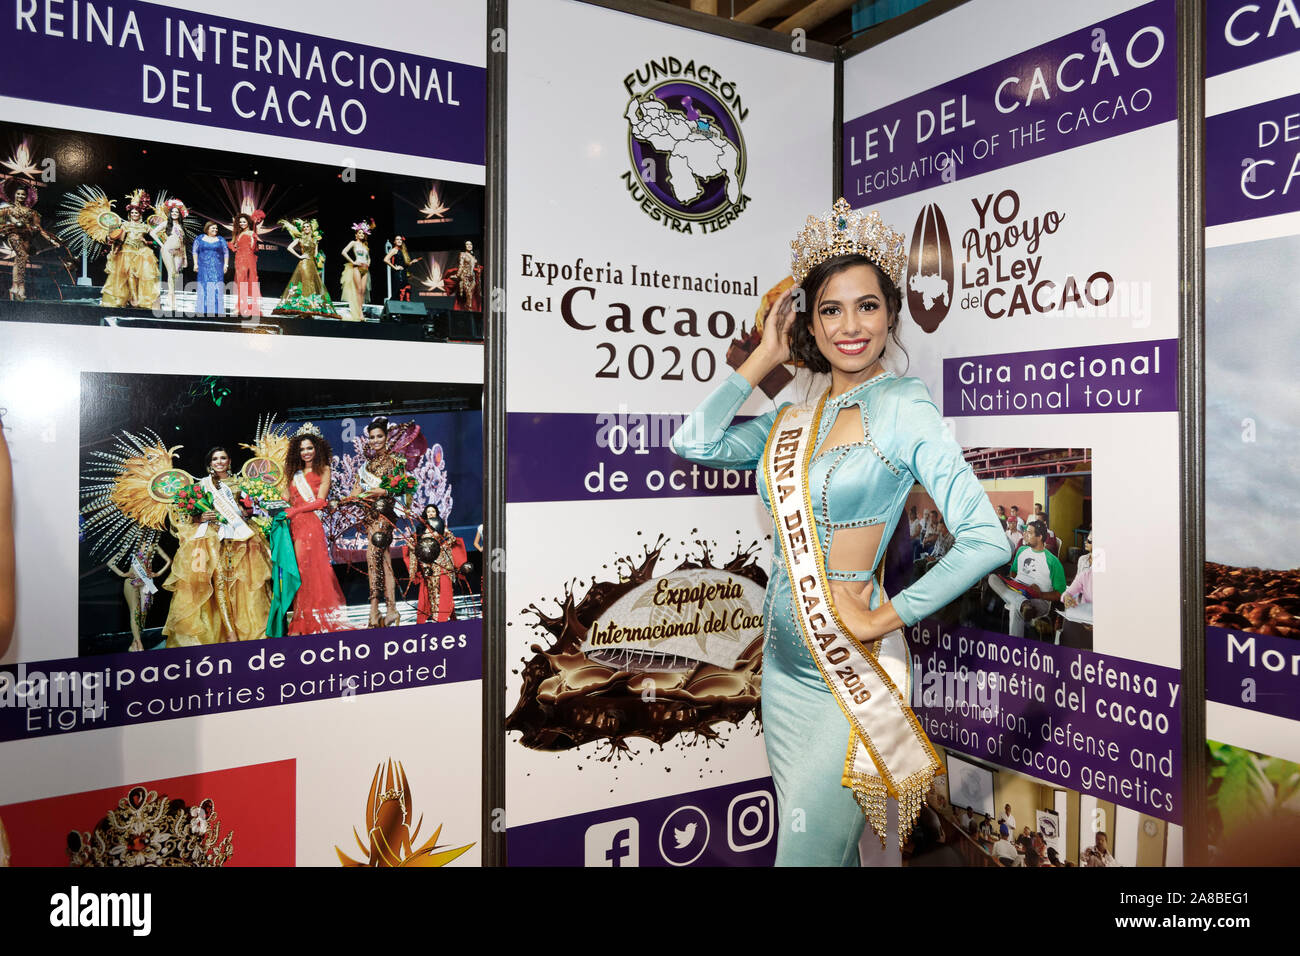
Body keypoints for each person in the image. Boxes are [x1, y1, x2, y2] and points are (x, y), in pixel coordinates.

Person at [670, 198, 1011, 866]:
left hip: (846, 673)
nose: (849, 326)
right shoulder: (791, 418)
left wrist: (886, 614)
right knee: (828, 854)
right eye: (830, 309)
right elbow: (693, 441)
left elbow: (987, 539)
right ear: (811, 322)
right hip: (783, 666)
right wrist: (764, 354)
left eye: (867, 306)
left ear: (891, 314)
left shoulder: (906, 407)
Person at [162, 446, 272, 646]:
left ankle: (250, 633)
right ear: (209, 463)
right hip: (213, 540)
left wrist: (248, 512)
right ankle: (229, 633)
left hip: (241, 539)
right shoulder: (202, 486)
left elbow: (250, 510)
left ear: (229, 461)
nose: (219, 462)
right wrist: (200, 516)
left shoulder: (241, 483)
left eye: (223, 458)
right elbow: (188, 517)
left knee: (245, 588)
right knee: (218, 583)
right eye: (215, 459)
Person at [283, 427, 349, 635]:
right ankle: (303, 617)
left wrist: (295, 511)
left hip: (310, 524)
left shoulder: (324, 469)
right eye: (302, 449)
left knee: (304, 570)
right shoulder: (294, 473)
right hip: (293, 525)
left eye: (309, 448)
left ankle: (303, 620)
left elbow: (320, 501)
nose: (306, 452)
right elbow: (286, 498)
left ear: (316, 448)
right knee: (297, 571)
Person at [354, 417, 403, 627]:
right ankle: (392, 610)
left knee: (373, 558)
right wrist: (346, 499)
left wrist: (383, 491)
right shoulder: (366, 465)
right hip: (370, 516)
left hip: (384, 516)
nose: (375, 440)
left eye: (379, 436)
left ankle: (374, 611)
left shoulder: (395, 461)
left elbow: (401, 488)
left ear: (386, 436)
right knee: (383, 561)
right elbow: (356, 491)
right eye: (372, 437)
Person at [987, 520, 1066, 638]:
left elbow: (1060, 593)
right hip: (1017, 591)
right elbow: (1013, 572)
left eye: (1029, 532)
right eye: (1025, 531)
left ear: (1039, 537)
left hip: (1038, 600)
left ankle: (1015, 648)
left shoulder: (1053, 561)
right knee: (992, 578)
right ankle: (1022, 602)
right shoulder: (1021, 551)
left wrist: (1040, 594)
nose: (1024, 534)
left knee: (1015, 606)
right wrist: (1014, 583)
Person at [0, 179, 64, 301]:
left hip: (26, 238)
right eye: (18, 194)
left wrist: (52, 240)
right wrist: (9, 227)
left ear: (26, 196)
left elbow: (39, 229)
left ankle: (14, 287)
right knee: (22, 255)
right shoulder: (7, 210)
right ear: (14, 194)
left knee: (20, 259)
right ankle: (21, 286)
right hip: (13, 236)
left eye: (23, 194)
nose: (20, 196)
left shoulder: (32, 212)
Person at [403, 504, 467, 624]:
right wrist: (412, 545)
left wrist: (441, 545)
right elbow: (413, 542)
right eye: (429, 512)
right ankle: (436, 615)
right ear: (425, 514)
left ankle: (441, 615)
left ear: (436, 513)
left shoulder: (441, 526)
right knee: (431, 589)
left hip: (441, 562)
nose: (431, 513)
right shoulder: (421, 528)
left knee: (444, 587)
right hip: (428, 564)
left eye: (433, 511)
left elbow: (452, 539)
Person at [101, 190, 160, 310]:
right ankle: (133, 298)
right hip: (126, 253)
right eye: (132, 213)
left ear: (140, 214)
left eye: (136, 213)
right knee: (130, 275)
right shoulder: (125, 225)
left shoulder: (145, 226)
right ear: (129, 214)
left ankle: (141, 299)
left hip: (142, 254)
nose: (134, 215)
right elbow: (120, 239)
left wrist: (148, 242)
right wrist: (114, 246)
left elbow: (157, 240)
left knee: (143, 277)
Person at [273, 218, 336, 317]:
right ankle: (304, 309)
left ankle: (309, 309)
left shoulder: (315, 240)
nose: (306, 228)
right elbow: (289, 248)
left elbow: (315, 254)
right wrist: (300, 256)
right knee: (306, 284)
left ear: (311, 229)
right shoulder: (300, 239)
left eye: (308, 227)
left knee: (311, 285)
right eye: (304, 227)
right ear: (302, 229)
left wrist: (320, 261)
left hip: (312, 264)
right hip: (304, 264)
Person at [151, 198, 189, 312]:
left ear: (180, 214)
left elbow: (183, 243)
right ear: (170, 213)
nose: (174, 214)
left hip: (179, 252)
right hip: (168, 250)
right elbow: (152, 232)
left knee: (176, 275)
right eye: (172, 212)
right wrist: (162, 245)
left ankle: (171, 296)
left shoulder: (182, 227)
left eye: (176, 212)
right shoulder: (166, 223)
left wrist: (185, 258)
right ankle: (171, 300)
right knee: (171, 273)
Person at [229, 210, 263, 318]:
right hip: (239, 260)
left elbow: (253, 248)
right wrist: (233, 248)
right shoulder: (239, 234)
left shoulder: (252, 233)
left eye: (244, 222)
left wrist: (253, 239)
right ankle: (240, 307)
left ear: (248, 222)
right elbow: (233, 244)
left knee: (251, 281)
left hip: (248, 259)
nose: (242, 224)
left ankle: (252, 307)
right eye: (240, 222)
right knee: (240, 283)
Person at [192, 221, 229, 316]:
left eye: (216, 228)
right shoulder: (200, 238)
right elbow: (194, 251)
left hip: (216, 267)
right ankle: (203, 310)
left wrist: (226, 265)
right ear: (207, 229)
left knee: (216, 288)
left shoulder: (220, 239)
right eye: (213, 228)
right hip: (203, 267)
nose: (215, 230)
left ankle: (216, 311)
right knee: (204, 287)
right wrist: (195, 264)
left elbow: (226, 252)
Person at [340, 220, 373, 321]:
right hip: (357, 268)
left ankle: (360, 311)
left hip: (365, 268)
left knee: (363, 291)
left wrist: (368, 263)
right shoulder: (353, 243)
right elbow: (344, 252)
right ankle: (360, 314)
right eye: (359, 233)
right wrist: (353, 262)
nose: (361, 234)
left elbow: (369, 258)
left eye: (363, 233)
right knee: (358, 290)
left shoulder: (365, 246)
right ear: (356, 235)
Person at [384, 235, 412, 301]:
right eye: (397, 239)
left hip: (403, 274)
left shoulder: (403, 251)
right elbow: (385, 259)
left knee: (403, 293)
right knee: (398, 292)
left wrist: (411, 263)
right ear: (394, 241)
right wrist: (394, 268)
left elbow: (403, 263)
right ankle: (392, 308)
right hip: (399, 275)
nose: (399, 241)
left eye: (400, 239)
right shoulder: (394, 250)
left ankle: (401, 309)